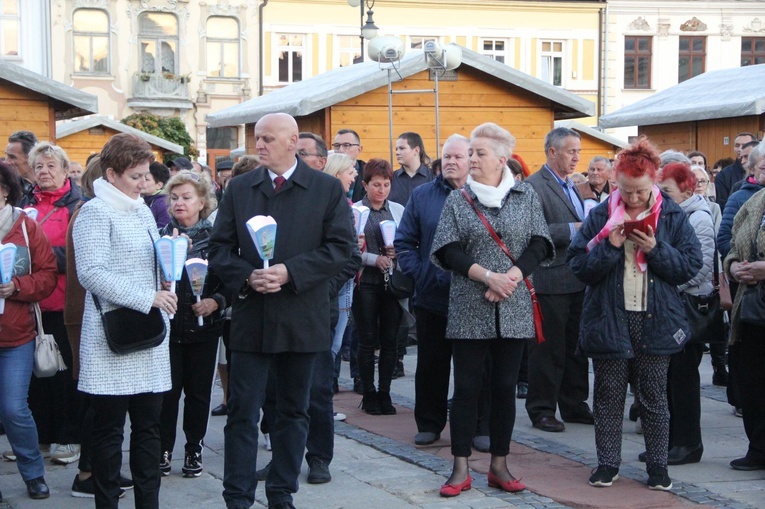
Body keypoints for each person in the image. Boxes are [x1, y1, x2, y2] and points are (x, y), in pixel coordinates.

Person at [208, 113, 355, 509]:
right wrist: (247, 275)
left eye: (268, 138)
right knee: (242, 412)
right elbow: (219, 248)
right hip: (252, 316)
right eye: (257, 138)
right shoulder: (240, 188)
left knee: (293, 411)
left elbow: (342, 248)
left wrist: (291, 272)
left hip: (301, 315)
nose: (260, 145)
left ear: (293, 141)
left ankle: (281, 492)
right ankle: (237, 496)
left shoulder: (324, 189)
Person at [567, 137, 702, 491]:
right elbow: (578, 266)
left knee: (654, 397)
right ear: (616, 182)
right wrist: (609, 248)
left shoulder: (671, 214)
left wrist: (656, 250)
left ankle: (658, 467)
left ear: (653, 181)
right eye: (626, 191)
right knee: (608, 396)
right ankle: (607, 465)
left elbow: (690, 266)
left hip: (656, 318)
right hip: (609, 317)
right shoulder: (599, 214)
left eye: (640, 191)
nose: (633, 198)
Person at [431, 122, 553, 497]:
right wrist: (488, 278)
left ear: (502, 159)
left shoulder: (525, 196)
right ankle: (460, 467)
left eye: (479, 153)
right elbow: (447, 250)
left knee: (504, 387)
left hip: (512, 305)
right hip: (471, 304)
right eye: (470, 153)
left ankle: (500, 464)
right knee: (466, 387)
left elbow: (539, 243)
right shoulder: (459, 199)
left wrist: (511, 278)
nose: (472, 159)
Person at [73, 133, 176, 508]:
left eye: (146, 175)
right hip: (111, 337)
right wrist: (147, 297)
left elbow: (145, 263)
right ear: (112, 174)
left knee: (150, 429)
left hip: (148, 334)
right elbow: (91, 273)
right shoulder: (95, 212)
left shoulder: (143, 209)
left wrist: (167, 275)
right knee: (108, 432)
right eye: (135, 176)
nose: (143, 183)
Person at [396, 134, 492, 448]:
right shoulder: (423, 195)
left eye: (458, 157)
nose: (450, 162)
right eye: (446, 157)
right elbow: (404, 243)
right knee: (431, 365)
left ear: (471, 160)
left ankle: (479, 427)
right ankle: (429, 423)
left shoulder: (485, 195)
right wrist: (423, 274)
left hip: (476, 298)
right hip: (432, 297)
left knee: (476, 367)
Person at [64, 156, 135, 498]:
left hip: (90, 312)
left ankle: (100, 469)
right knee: (96, 400)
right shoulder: (91, 213)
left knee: (101, 401)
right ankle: (88, 473)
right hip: (89, 315)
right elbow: (92, 273)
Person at [19, 142, 84, 466]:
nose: (44, 172)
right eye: (39, 167)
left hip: (64, 302)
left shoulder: (77, 204)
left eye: (50, 166)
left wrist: (41, 260)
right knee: (36, 375)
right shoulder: (25, 203)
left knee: (65, 373)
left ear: (63, 170)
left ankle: (69, 436)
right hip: (31, 303)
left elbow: (79, 252)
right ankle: (41, 436)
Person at [158, 171, 226, 479]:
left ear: (202, 202)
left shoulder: (216, 240)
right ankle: (163, 449)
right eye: (174, 198)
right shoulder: (161, 235)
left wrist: (215, 302)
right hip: (168, 329)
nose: (179, 203)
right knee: (167, 394)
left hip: (203, 329)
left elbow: (230, 280)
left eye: (186, 197)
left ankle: (194, 448)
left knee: (198, 394)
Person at [524, 127, 593, 433]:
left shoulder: (571, 185)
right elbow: (530, 233)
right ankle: (542, 409)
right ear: (552, 152)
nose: (576, 157)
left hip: (577, 277)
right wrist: (574, 229)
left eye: (578, 151)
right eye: (570, 151)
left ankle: (574, 404)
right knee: (549, 350)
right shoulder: (533, 186)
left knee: (576, 347)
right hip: (550, 279)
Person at [0, 161, 58, 500]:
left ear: (5, 189)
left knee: (13, 408)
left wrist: (17, 287)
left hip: (16, 335)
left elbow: (49, 274)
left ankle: (33, 472)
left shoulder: (24, 227)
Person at [655, 162, 714, 465]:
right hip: (671, 305)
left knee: (684, 379)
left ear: (687, 190)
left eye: (667, 191)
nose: (661, 197)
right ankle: (670, 441)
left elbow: (700, 267)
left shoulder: (698, 217)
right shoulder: (670, 214)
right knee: (669, 379)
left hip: (687, 307)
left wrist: (665, 278)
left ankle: (688, 443)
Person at [353, 158, 405, 416]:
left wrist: (398, 251)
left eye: (385, 184)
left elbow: (408, 242)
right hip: (366, 283)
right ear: (365, 185)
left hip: (392, 282)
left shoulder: (397, 210)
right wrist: (375, 259)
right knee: (366, 340)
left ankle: (385, 392)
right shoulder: (355, 211)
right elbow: (349, 250)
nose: (381, 190)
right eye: (375, 184)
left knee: (390, 341)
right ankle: (368, 392)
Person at [724, 177, 765, 472]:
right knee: (752, 382)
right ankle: (759, 449)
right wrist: (734, 266)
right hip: (752, 308)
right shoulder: (754, 202)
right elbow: (732, 245)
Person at [390, 132, 433, 206]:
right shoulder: (391, 178)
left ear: (416, 150)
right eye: (396, 149)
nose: (397, 152)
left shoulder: (433, 178)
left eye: (402, 148)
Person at [715, 132, 756, 211]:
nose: (740, 149)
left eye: (744, 145)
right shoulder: (724, 175)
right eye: (737, 145)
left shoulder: (761, 173)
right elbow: (722, 204)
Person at [333, 128, 366, 201]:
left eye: (346, 145)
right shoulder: (326, 173)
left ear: (359, 149)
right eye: (337, 145)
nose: (341, 150)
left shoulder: (369, 173)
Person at [5, 130, 38, 201]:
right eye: (7, 156)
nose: (6, 162)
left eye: (12, 157)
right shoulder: (6, 188)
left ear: (30, 158)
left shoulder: (51, 187)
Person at [142, 162, 171, 228]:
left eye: (146, 179)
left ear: (159, 185)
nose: (142, 182)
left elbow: (163, 230)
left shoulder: (163, 204)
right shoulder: (146, 199)